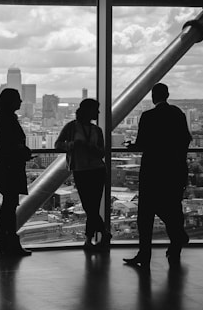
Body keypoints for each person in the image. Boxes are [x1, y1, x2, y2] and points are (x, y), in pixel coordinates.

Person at [123, 83, 192, 268]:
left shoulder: (148, 116)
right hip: (174, 170)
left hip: (153, 170)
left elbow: (142, 144)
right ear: (168, 95)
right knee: (173, 207)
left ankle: (144, 254)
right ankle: (176, 243)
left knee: (145, 214)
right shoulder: (178, 114)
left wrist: (131, 146)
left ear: (153, 97)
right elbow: (186, 139)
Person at [55, 98, 110, 252]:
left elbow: (102, 152)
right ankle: (102, 234)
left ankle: (89, 239)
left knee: (91, 207)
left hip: (94, 170)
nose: (98, 112)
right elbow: (58, 145)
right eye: (96, 109)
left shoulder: (96, 130)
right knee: (90, 206)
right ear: (88, 111)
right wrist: (73, 145)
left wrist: (89, 147)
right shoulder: (72, 127)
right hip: (84, 170)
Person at [0, 88, 33, 257]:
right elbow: (10, 144)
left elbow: (4, 143)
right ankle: (9, 242)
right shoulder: (8, 119)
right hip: (10, 167)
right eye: (18, 99)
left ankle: (4, 242)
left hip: (5, 166)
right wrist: (22, 151)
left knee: (8, 206)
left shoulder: (1, 118)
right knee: (9, 206)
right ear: (11, 102)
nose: (21, 102)